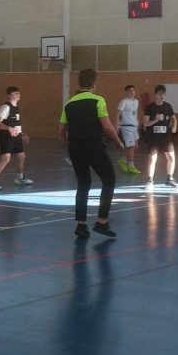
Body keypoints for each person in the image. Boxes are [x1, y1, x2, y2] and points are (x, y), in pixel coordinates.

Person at [58, 68, 124, 238]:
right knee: (109, 180)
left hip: (75, 148)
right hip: (94, 146)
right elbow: (107, 127)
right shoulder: (98, 100)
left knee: (83, 184)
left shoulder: (69, 103)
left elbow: (61, 132)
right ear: (93, 84)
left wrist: (68, 146)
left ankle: (81, 225)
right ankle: (102, 221)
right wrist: (118, 142)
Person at [0, 86, 34, 190]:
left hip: (16, 136)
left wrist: (22, 134)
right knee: (6, 159)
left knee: (22, 157)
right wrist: (8, 128)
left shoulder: (16, 107)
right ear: (8, 96)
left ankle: (19, 178)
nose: (18, 95)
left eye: (18, 93)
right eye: (15, 93)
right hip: (6, 136)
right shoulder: (6, 107)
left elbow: (15, 124)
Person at [143, 84, 178, 190]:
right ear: (155, 95)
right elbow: (145, 123)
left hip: (166, 137)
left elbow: (174, 118)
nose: (162, 96)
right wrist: (155, 120)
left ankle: (169, 179)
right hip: (153, 137)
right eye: (160, 94)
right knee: (152, 159)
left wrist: (174, 126)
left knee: (171, 157)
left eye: (163, 94)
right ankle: (150, 180)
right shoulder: (150, 107)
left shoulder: (168, 106)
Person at [116, 84, 141, 175]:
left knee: (135, 146)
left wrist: (137, 123)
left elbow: (135, 113)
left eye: (133, 90)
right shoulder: (124, 102)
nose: (132, 92)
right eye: (130, 90)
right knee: (130, 147)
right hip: (127, 127)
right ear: (126, 92)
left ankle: (123, 160)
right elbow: (118, 114)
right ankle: (131, 166)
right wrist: (117, 126)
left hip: (134, 127)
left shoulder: (136, 101)